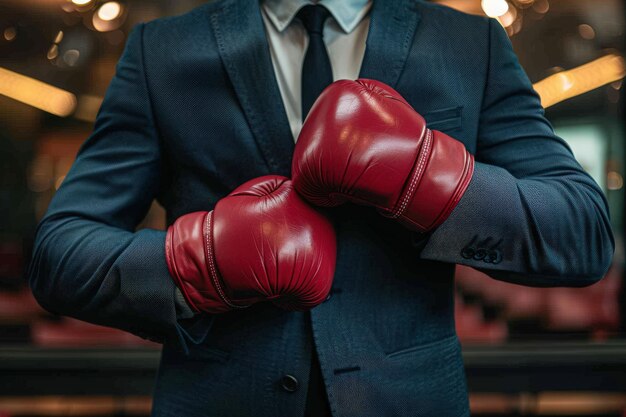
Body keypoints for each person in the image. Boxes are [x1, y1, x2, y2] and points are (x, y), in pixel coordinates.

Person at [27, 0, 614, 416]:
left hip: (408, 403)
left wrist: (427, 175)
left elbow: (581, 233)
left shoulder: (468, 44)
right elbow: (60, 254)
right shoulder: (163, 50)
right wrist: (199, 262)